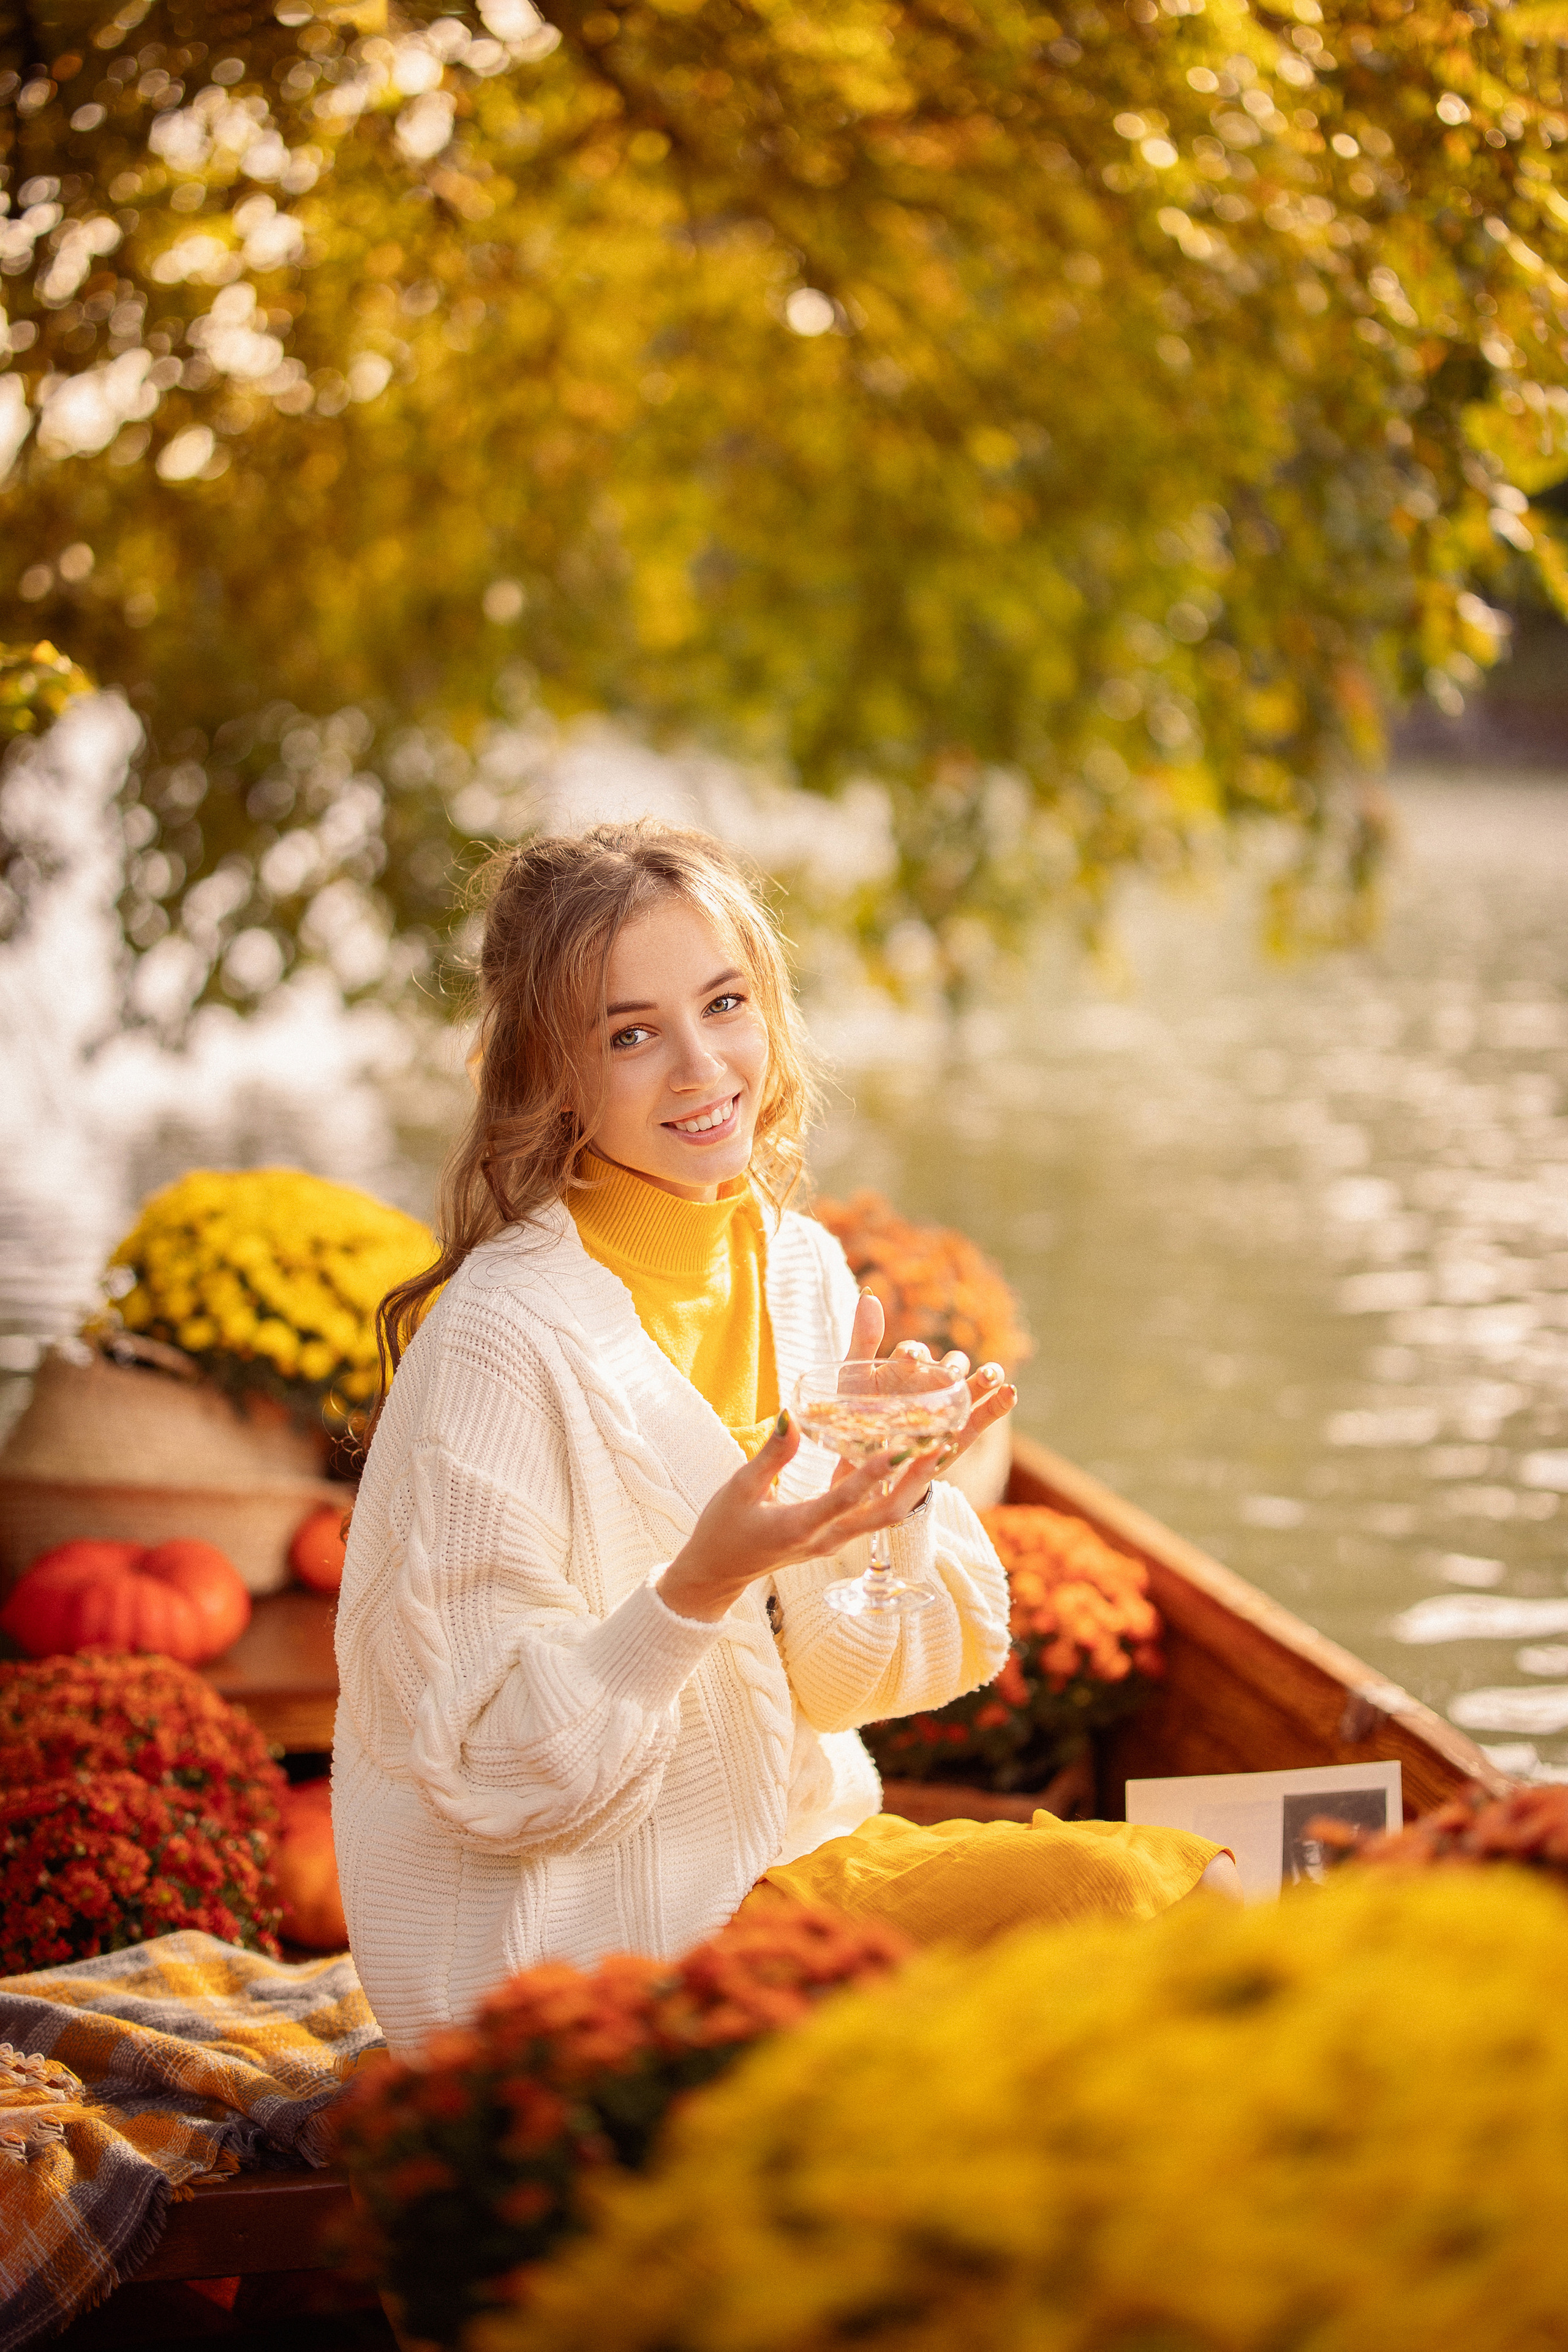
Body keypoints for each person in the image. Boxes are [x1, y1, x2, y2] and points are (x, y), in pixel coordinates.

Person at [334, 823, 1231, 2052]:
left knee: (1195, 1916)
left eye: (723, 1004)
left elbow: (857, 1685)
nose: (702, 1068)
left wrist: (888, 1505)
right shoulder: (498, 1339)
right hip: (575, 1946)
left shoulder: (797, 1273)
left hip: (785, 1862)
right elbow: (495, 1774)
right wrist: (700, 1582)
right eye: (630, 1032)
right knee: (1165, 1904)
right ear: (549, 1070)